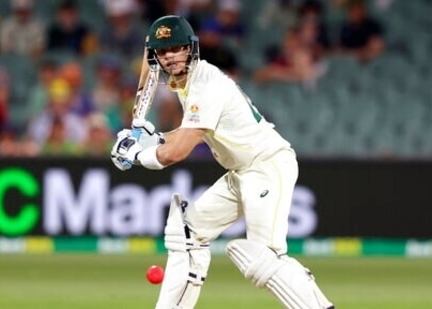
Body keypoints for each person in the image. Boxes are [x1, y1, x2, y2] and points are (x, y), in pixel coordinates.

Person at [109, 15, 334, 309]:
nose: (171, 57)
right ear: (155, 58)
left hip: (266, 165)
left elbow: (177, 153)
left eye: (177, 48)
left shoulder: (205, 84)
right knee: (186, 232)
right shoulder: (186, 84)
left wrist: (138, 154)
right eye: (163, 52)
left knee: (263, 257)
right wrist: (157, 139)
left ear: (191, 49)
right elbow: (194, 133)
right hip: (240, 172)